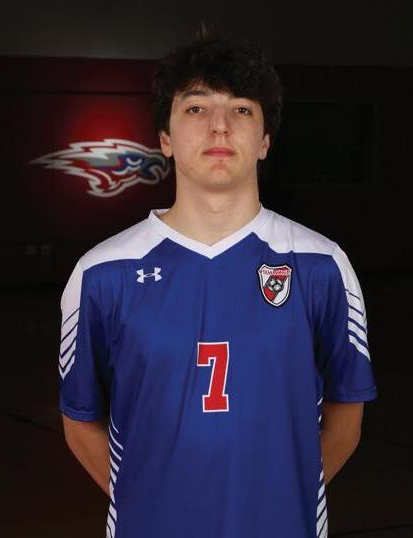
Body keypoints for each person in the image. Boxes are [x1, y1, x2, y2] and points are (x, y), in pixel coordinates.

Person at [59, 27, 378, 538]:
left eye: (242, 109)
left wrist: (284, 502)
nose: (220, 127)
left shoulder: (321, 265)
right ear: (165, 139)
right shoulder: (102, 273)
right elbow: (80, 421)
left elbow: (347, 413)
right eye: (196, 108)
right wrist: (150, 505)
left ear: (265, 140)